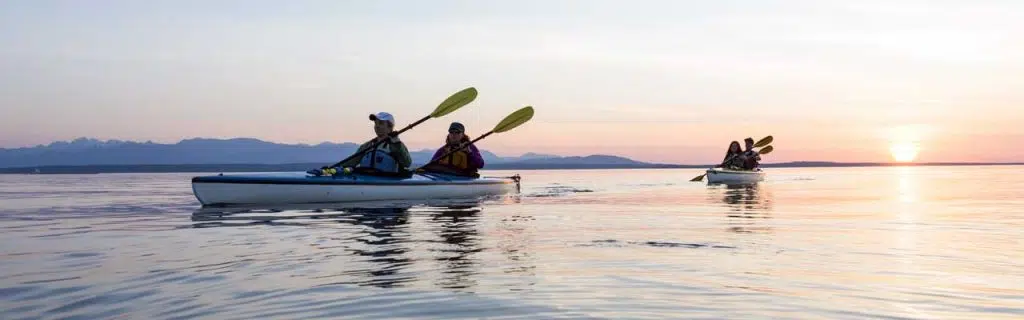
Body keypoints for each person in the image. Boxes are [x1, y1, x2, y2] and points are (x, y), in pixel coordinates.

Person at [309, 112, 412, 176]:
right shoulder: (368, 145)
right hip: (365, 177)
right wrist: (331, 169)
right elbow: (351, 162)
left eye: (381, 123)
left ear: (390, 127)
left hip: (387, 180)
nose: (377, 126)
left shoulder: (397, 145)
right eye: (375, 123)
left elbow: (407, 163)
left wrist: (396, 142)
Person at [420, 122, 485, 177]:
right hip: (446, 176)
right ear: (449, 134)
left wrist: (470, 153)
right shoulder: (443, 149)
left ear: (462, 134)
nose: (454, 134)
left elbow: (480, 164)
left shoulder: (470, 147)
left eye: (457, 132)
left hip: (465, 176)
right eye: (451, 132)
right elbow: (431, 164)